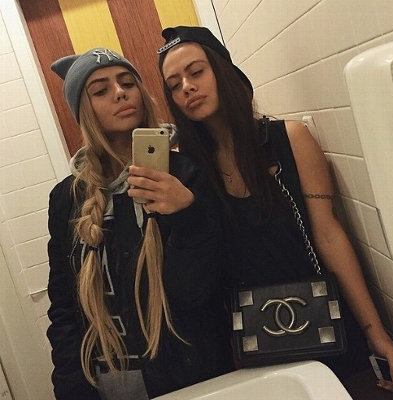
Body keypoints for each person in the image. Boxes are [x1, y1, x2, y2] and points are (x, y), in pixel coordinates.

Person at [157, 26, 393, 394]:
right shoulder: (187, 172)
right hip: (254, 344)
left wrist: (375, 331)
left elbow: (328, 236)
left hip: (325, 322)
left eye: (196, 71)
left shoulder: (290, 139)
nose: (187, 87)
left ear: (224, 71)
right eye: (174, 85)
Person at [46, 47, 234, 400]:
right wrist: (71, 386)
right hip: (106, 382)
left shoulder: (186, 174)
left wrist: (187, 214)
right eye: (101, 90)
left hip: (192, 376)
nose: (120, 93)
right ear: (84, 111)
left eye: (127, 83)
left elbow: (197, 293)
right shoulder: (66, 199)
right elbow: (64, 304)